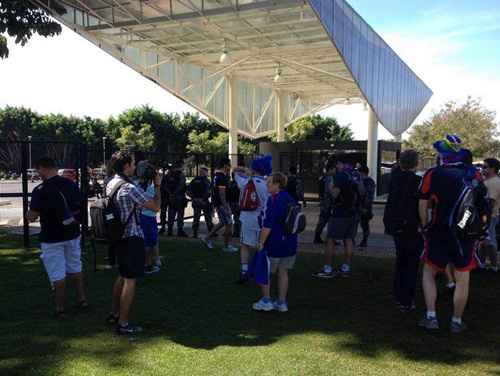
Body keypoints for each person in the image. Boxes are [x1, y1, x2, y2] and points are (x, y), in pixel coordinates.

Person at [418, 136, 489, 334]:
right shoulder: (473, 174)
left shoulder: (432, 174)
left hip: (438, 231)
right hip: (464, 232)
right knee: (463, 278)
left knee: (429, 272)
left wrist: (424, 225)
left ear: (443, 156)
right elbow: (482, 202)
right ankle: (456, 321)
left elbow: (423, 203)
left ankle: (431, 316)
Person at [105, 151, 161, 335]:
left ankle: (114, 313)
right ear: (126, 166)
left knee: (121, 275)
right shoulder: (129, 188)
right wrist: (158, 186)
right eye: (133, 163)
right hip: (132, 237)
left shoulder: (111, 183)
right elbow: (155, 206)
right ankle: (123, 323)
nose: (135, 166)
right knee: (130, 280)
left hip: (118, 236)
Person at [27, 157, 88, 319]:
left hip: (51, 236)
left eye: (38, 170)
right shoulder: (71, 185)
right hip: (72, 232)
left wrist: (28, 213)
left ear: (42, 168)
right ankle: (82, 299)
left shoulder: (40, 190)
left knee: (57, 273)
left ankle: (60, 308)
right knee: (76, 266)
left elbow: (32, 216)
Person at [252, 172, 298, 313]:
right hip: (290, 242)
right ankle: (281, 302)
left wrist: (261, 242)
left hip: (274, 242)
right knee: (283, 272)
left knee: (264, 271)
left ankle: (266, 300)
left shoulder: (273, 200)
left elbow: (268, 225)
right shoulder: (289, 198)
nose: (267, 184)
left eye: (270, 182)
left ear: (277, 184)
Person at [383, 150, 422, 312]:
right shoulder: (417, 181)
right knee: (411, 263)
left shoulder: (394, 178)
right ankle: (406, 299)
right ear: (416, 163)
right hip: (412, 226)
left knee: (401, 260)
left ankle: (399, 294)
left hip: (396, 224)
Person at [313, 158, 360, 279]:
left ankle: (327, 268)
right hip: (353, 212)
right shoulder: (352, 175)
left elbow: (334, 194)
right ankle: (346, 268)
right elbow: (362, 191)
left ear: (338, 165)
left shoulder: (339, 176)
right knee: (348, 239)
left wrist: (329, 187)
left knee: (330, 239)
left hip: (340, 213)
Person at [234, 156, 272, 284]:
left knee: (245, 244)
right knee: (261, 245)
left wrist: (246, 170)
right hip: (263, 219)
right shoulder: (268, 184)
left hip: (247, 218)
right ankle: (260, 270)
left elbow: (235, 171)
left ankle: (244, 271)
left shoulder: (245, 181)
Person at [201, 158, 238, 253]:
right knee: (229, 224)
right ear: (225, 165)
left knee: (222, 222)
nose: (230, 167)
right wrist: (226, 206)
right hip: (222, 204)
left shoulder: (216, 176)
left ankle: (207, 238)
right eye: (229, 165)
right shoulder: (221, 177)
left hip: (219, 203)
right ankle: (226, 246)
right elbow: (222, 194)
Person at [138, 161, 161, 274]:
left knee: (148, 242)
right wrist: (158, 186)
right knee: (148, 243)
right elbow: (157, 207)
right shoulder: (152, 188)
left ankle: (148, 263)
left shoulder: (137, 184)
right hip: (147, 218)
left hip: (144, 217)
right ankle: (147, 265)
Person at [480, 158, 500, 272]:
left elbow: (490, 203)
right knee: (483, 241)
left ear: (492, 169)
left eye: (485, 167)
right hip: (487, 216)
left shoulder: (494, 183)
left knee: (490, 241)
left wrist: (484, 220)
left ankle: (494, 266)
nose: (482, 169)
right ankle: (482, 263)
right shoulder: (490, 180)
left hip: (489, 216)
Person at [188, 166, 213, 239]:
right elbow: (209, 192)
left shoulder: (194, 180)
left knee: (196, 217)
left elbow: (189, 191)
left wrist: (194, 198)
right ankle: (211, 232)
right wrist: (202, 199)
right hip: (204, 201)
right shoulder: (206, 181)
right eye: (206, 172)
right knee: (208, 217)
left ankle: (195, 233)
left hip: (196, 201)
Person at [314, 160, 335, 244]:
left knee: (322, 221)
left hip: (324, 202)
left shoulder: (323, 177)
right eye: (334, 169)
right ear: (331, 169)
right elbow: (330, 191)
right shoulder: (330, 178)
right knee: (330, 222)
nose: (335, 171)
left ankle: (318, 237)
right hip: (328, 203)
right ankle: (329, 239)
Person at [164, 161, 188, 237]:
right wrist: (174, 193)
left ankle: (170, 230)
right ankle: (179, 230)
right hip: (179, 196)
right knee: (180, 214)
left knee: (171, 213)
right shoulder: (181, 175)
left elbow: (165, 186)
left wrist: (170, 194)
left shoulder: (168, 174)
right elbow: (182, 185)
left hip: (171, 197)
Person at [357, 165, 376, 249]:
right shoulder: (367, 181)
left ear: (362, 173)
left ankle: (364, 241)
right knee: (359, 224)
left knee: (364, 225)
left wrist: (365, 207)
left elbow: (368, 196)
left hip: (364, 207)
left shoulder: (369, 182)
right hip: (359, 206)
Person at [228, 172, 242, 238]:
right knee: (237, 218)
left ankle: (237, 232)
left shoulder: (230, 184)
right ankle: (237, 232)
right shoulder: (240, 183)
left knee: (236, 218)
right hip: (236, 202)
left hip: (234, 203)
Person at [159, 163, 171, 235]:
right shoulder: (162, 175)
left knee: (169, 213)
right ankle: (163, 227)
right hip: (164, 196)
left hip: (167, 196)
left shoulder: (171, 175)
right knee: (163, 212)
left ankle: (168, 228)